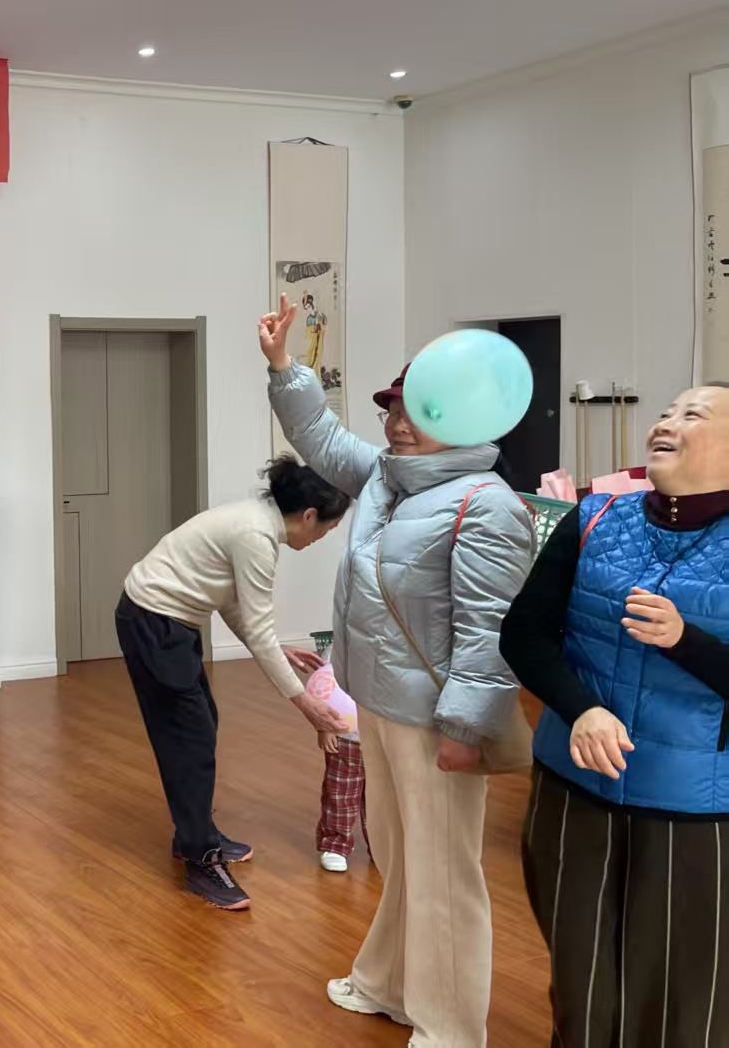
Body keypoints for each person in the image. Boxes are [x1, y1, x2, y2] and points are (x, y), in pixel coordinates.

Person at [261, 297, 536, 1048]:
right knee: (399, 855)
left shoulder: (486, 504)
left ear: (469, 416)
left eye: (418, 408)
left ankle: (450, 1026)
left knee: (443, 871)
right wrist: (285, 368)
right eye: (392, 406)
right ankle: (387, 981)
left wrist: (464, 730)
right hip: (378, 704)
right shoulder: (388, 478)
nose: (397, 421)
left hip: (437, 718)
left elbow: (488, 635)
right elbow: (320, 438)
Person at [501, 383, 729, 1047]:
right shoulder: (596, 516)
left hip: (693, 812)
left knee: (685, 998)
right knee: (581, 985)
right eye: (666, 412)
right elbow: (525, 636)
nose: (666, 422)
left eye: (692, 414)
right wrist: (581, 710)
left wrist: (684, 640)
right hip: (573, 788)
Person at [116, 456, 352, 909]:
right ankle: (201, 860)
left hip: (165, 620)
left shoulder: (255, 522)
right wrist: (307, 706)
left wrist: (276, 647)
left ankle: (195, 833)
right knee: (189, 739)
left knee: (201, 725)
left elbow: (229, 599)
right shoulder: (255, 536)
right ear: (309, 515)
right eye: (328, 528)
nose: (322, 538)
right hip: (155, 620)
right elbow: (256, 627)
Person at [309, 643, 370, 874]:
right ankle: (335, 845)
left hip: (384, 736)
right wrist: (323, 727)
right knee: (340, 793)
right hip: (345, 737)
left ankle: (383, 847)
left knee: (381, 798)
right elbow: (324, 686)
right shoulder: (342, 646)